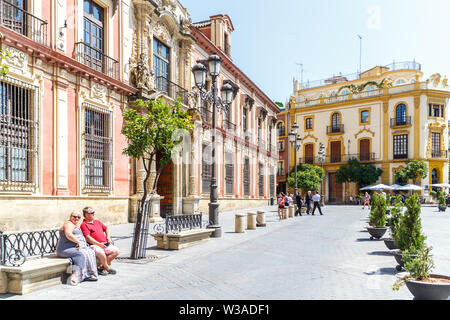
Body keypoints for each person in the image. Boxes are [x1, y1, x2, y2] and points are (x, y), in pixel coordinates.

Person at [56, 211, 98, 286]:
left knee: (88, 252)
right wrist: (78, 242)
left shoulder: (74, 224)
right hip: (64, 249)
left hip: (70, 248)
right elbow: (68, 234)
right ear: (70, 216)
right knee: (80, 254)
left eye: (78, 217)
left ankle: (86, 274)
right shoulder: (68, 224)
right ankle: (74, 276)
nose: (76, 218)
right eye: (74, 216)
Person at [80, 207, 120, 276]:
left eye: (93, 212)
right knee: (101, 252)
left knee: (116, 251)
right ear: (86, 214)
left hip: (104, 244)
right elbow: (88, 238)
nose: (93, 214)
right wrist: (99, 244)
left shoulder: (97, 222)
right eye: (91, 213)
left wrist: (108, 238)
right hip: (93, 245)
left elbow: (106, 228)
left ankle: (101, 267)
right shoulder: (84, 224)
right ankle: (107, 268)